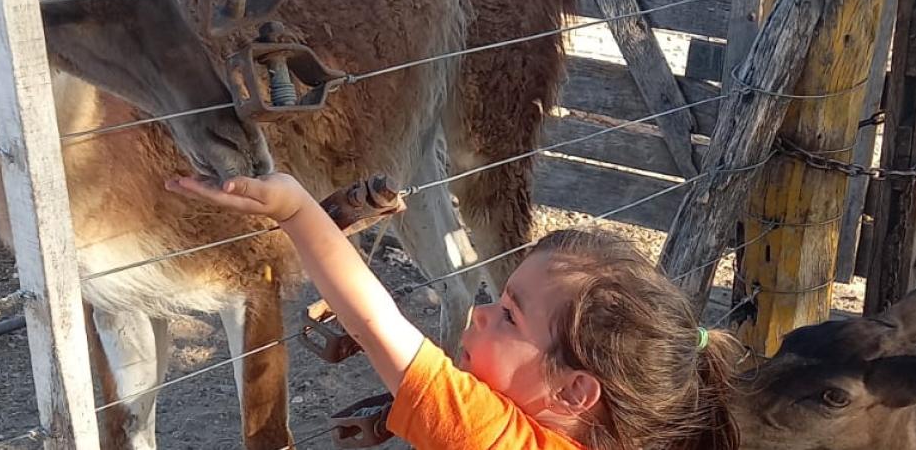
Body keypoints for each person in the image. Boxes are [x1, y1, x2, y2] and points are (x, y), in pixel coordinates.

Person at [166, 173, 740, 449]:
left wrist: (294, 210)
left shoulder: (500, 440)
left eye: (511, 316)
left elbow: (374, 321)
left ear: (573, 392)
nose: (482, 315)